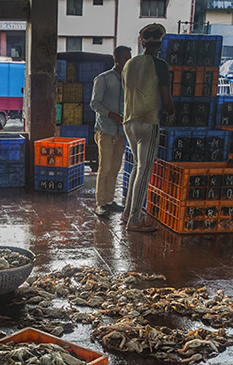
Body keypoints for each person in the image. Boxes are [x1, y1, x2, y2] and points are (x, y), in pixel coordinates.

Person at [121, 23, 174, 233]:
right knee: (145, 168)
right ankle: (134, 220)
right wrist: (171, 112)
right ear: (160, 44)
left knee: (137, 166)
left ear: (142, 42)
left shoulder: (129, 65)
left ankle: (127, 212)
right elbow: (166, 99)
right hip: (148, 121)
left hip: (128, 121)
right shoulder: (160, 65)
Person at [90, 45, 132, 218]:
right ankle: (100, 204)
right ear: (116, 59)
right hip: (105, 130)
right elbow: (94, 103)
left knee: (115, 168)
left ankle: (109, 201)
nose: (128, 61)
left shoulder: (129, 80)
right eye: (125, 58)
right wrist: (111, 114)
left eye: (129, 58)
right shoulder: (103, 79)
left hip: (122, 132)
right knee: (105, 167)